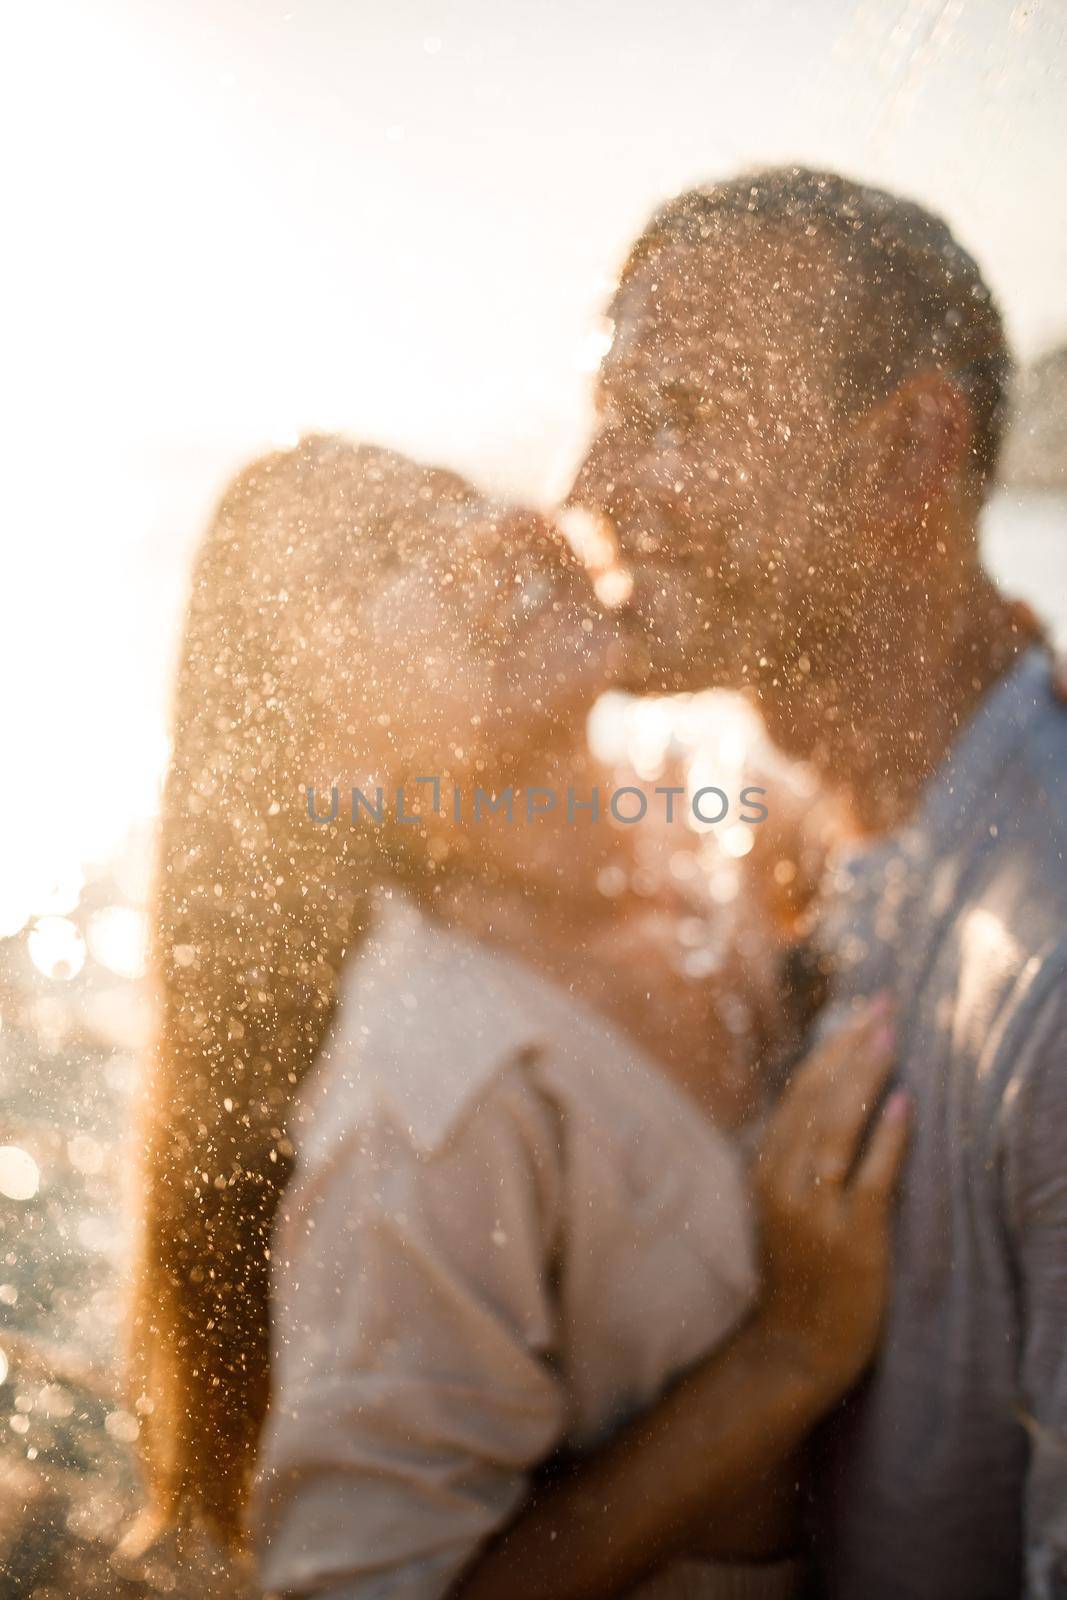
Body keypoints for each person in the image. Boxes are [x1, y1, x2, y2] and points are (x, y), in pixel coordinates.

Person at [129, 435, 908, 1598]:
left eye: (455, 497)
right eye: (388, 552)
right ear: (326, 748)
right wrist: (779, 1357)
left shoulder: (717, 798)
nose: (494, 529)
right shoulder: (430, 1089)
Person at [568, 166, 1067, 1598]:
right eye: (608, 416)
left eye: (672, 419)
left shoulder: (1039, 987)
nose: (585, 492)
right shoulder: (723, 770)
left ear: (908, 454)